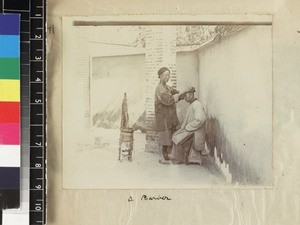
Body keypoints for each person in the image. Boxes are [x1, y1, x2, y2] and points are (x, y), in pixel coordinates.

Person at [171, 86, 207, 165]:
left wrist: (188, 127)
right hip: (192, 130)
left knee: (177, 137)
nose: (184, 98)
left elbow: (201, 119)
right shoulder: (193, 104)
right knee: (175, 135)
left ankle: (181, 158)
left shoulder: (197, 105)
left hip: (195, 131)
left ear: (190, 95)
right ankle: (181, 157)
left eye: (185, 96)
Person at [154, 67, 182, 164]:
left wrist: (179, 92)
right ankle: (162, 157)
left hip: (168, 116)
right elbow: (168, 100)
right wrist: (178, 96)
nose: (168, 77)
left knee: (168, 136)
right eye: (166, 75)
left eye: (168, 75)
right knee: (164, 136)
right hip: (163, 117)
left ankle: (166, 155)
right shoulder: (159, 89)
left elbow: (172, 91)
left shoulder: (166, 86)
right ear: (160, 76)